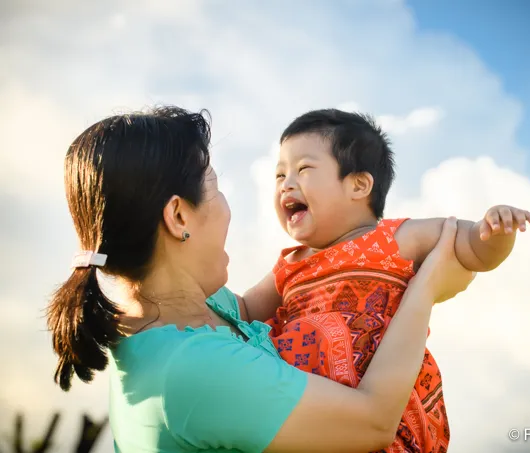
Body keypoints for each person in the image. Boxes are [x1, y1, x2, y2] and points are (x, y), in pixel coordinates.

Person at [46, 106, 476, 453]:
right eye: (214, 186)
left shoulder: (205, 313)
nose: (230, 207)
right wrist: (424, 290)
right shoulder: (195, 369)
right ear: (179, 217)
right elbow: (373, 422)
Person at [236, 109, 530, 452]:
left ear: (359, 185)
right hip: (312, 413)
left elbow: (471, 247)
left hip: (386, 408)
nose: (286, 183)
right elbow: (243, 311)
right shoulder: (290, 264)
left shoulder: (394, 236)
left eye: (303, 169)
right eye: (279, 175)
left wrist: (496, 230)